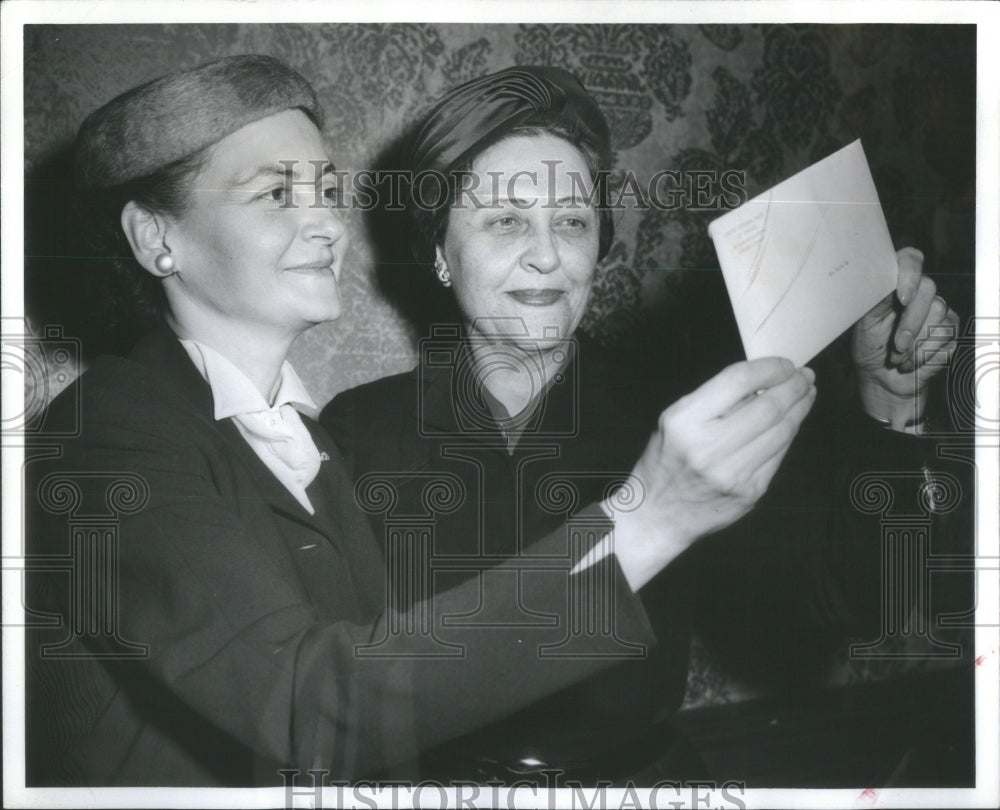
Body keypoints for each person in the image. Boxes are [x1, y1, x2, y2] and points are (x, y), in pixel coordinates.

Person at [24, 56, 818, 787]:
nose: (330, 224)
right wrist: (651, 519)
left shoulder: (302, 445)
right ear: (155, 238)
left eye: (328, 191)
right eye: (277, 194)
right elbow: (313, 706)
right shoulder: (111, 428)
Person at [321, 66, 963, 784]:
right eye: (505, 220)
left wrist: (891, 403)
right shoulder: (357, 432)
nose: (546, 253)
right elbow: (338, 691)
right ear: (439, 252)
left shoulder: (683, 417)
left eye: (572, 220)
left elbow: (868, 601)